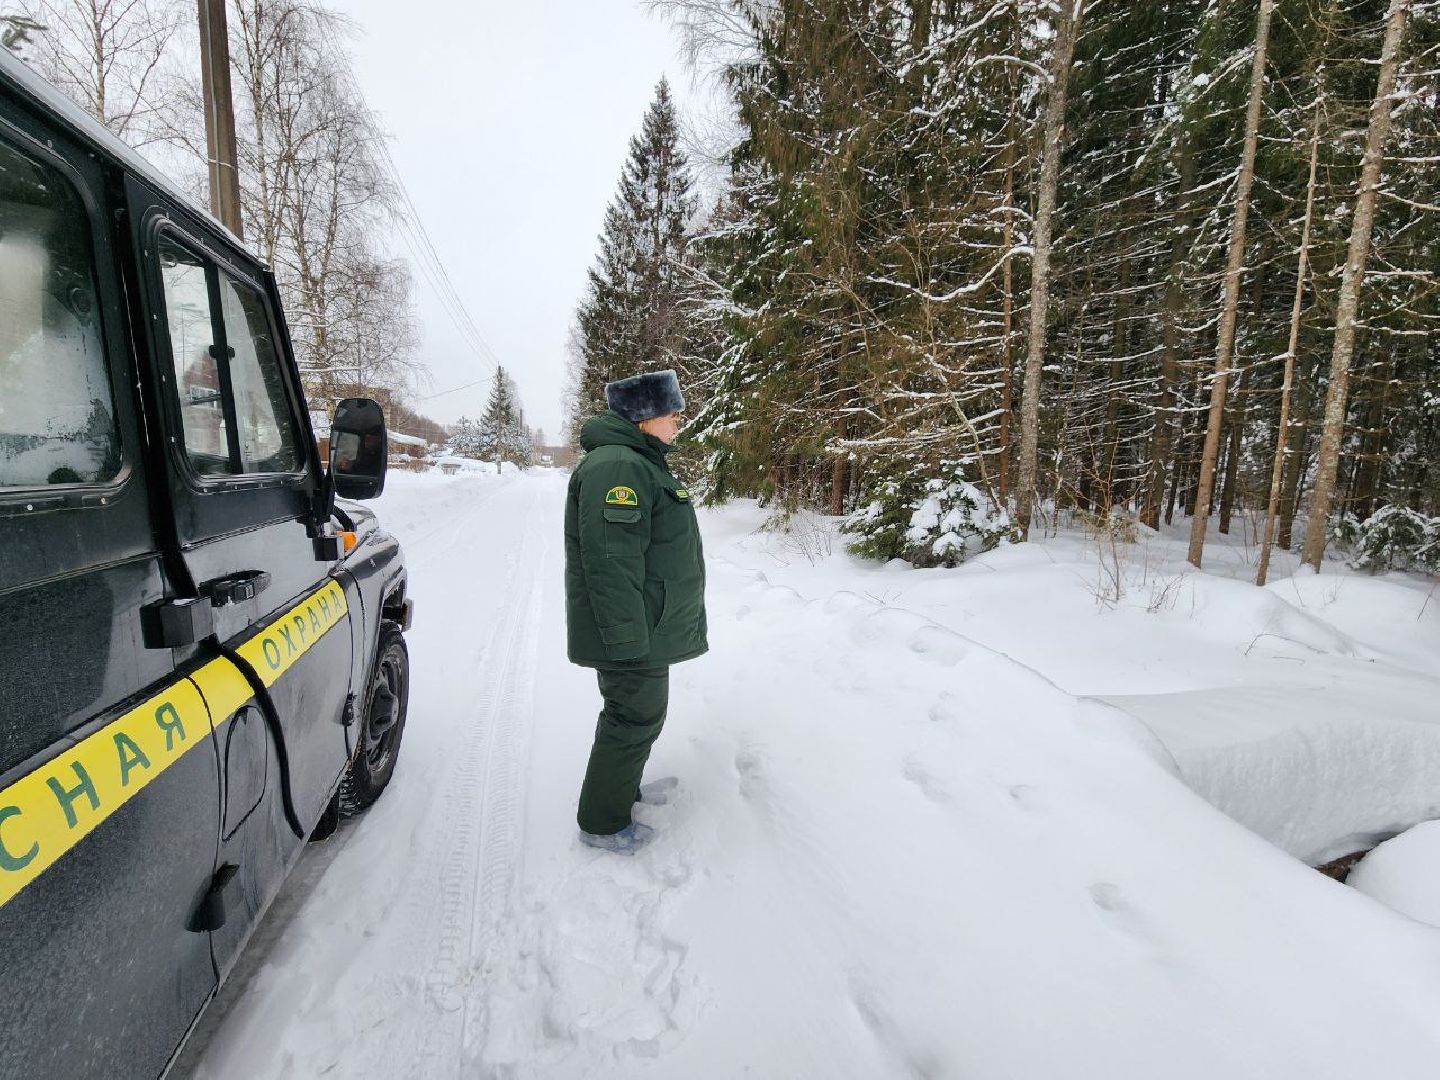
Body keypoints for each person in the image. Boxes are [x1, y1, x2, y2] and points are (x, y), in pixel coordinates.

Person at [564, 370, 707, 853]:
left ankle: (621, 791)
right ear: (644, 417)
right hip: (633, 630)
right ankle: (603, 823)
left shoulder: (637, 461)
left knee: (639, 713)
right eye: (672, 414)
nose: (678, 422)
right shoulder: (619, 467)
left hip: (647, 622)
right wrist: (626, 641)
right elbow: (610, 562)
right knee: (632, 716)